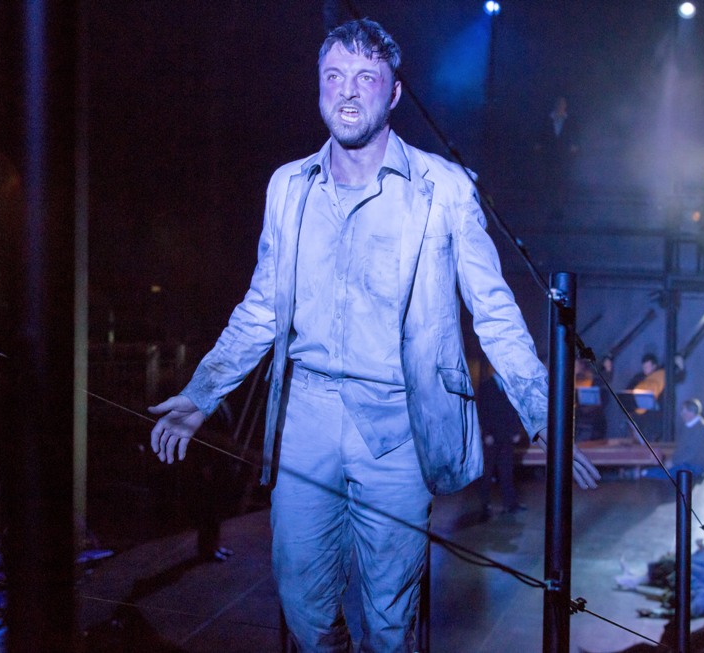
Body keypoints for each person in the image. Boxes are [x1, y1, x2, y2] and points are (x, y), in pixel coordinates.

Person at [147, 18, 599, 652]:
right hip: (306, 416)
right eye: (334, 77)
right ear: (319, 90)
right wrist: (202, 395)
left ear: (393, 94)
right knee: (302, 602)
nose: (348, 91)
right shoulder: (288, 188)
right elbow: (261, 308)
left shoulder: (443, 189)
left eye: (365, 77)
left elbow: (493, 309)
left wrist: (543, 412)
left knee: (391, 619)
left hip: (400, 423)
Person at [476, 361, 526, 517]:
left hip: (506, 435)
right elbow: (483, 411)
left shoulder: (509, 386)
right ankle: (484, 504)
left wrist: (516, 431)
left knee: (507, 470)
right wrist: (487, 434)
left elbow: (515, 409)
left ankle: (509, 504)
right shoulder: (486, 386)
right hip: (492, 436)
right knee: (488, 470)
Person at [533, 95, 580, 220]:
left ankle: (559, 208)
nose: (560, 106)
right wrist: (539, 146)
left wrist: (575, 147)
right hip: (550, 157)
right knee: (551, 183)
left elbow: (575, 136)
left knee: (562, 183)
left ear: (565, 106)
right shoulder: (547, 120)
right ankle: (553, 208)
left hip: (565, 158)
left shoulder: (570, 121)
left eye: (562, 103)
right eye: (558, 103)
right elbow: (540, 135)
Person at [642, 398, 704, 481]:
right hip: (685, 464)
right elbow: (682, 449)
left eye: (683, 410)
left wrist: (673, 462)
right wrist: (672, 460)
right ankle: (643, 472)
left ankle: (642, 473)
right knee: (663, 471)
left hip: (693, 466)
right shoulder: (690, 426)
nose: (681, 413)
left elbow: (691, 454)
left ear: (690, 413)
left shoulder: (700, 429)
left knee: (662, 474)